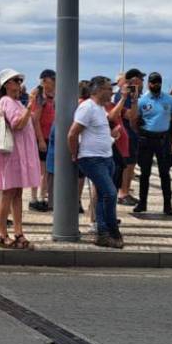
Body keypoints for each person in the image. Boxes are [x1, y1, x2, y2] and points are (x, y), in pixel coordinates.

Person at [69, 76, 122, 248]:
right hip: (92, 158)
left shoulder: (101, 108)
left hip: (106, 157)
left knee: (102, 196)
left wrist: (111, 137)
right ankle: (111, 231)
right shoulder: (87, 108)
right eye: (108, 88)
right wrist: (75, 154)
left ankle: (103, 232)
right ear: (97, 90)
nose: (111, 92)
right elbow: (73, 133)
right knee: (110, 193)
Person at [0, 68, 41, 249]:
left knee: (17, 193)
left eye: (20, 81)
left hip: (18, 153)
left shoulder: (15, 102)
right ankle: (2, 232)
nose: (20, 84)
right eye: (16, 81)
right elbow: (17, 125)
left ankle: (18, 231)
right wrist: (30, 106)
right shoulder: (7, 101)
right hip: (11, 154)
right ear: (7, 85)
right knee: (8, 193)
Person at [133, 72, 172, 215]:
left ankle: (168, 205)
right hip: (146, 139)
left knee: (165, 173)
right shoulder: (142, 100)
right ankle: (142, 203)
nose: (156, 85)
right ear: (149, 83)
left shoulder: (170, 100)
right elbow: (135, 120)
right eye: (153, 83)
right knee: (145, 173)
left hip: (163, 139)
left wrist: (170, 134)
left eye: (158, 83)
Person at [113, 69, 144, 206]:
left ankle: (125, 191)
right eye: (140, 78)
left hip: (130, 132)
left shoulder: (131, 93)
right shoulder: (124, 94)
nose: (143, 82)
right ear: (133, 80)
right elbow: (130, 115)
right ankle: (123, 192)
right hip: (127, 132)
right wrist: (134, 102)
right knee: (127, 164)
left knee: (131, 163)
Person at [29, 69, 58, 212]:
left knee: (46, 170)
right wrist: (40, 140)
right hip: (42, 137)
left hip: (50, 137)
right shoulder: (40, 98)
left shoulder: (53, 97)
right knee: (41, 170)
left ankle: (42, 196)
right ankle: (36, 198)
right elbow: (36, 120)